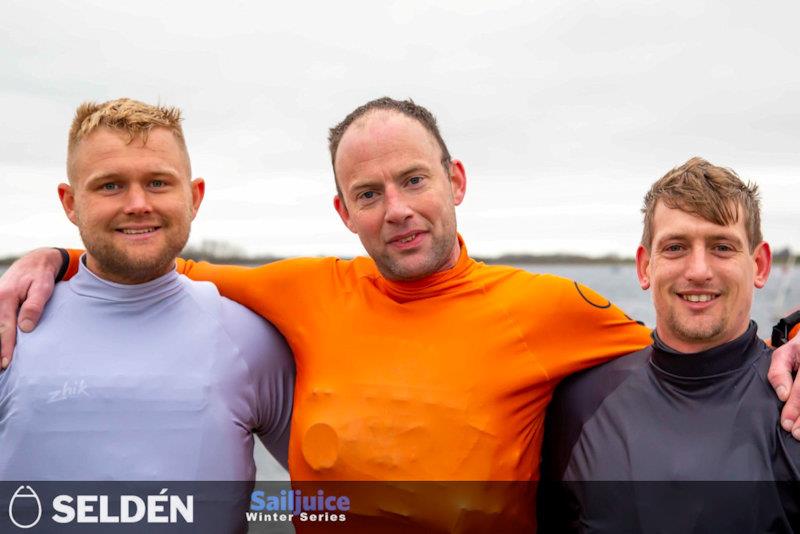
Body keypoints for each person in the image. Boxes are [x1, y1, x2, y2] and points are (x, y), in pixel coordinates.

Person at [1, 98, 798, 530]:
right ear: (343, 211)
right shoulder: (302, 290)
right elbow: (153, 256)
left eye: (414, 181)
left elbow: (698, 337)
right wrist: (55, 258)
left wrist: (795, 335)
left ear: (455, 179)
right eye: (369, 194)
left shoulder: (549, 308)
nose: (398, 211)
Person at [0, 98, 294, 483]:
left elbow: (340, 488)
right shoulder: (12, 329)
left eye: (157, 183)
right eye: (110, 186)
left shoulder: (252, 341)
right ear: (70, 203)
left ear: (195, 197)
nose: (137, 204)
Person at [538, 157, 800, 532]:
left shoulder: (792, 403)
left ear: (759, 265)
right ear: (645, 267)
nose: (698, 271)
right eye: (675, 247)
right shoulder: (577, 405)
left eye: (722, 247)